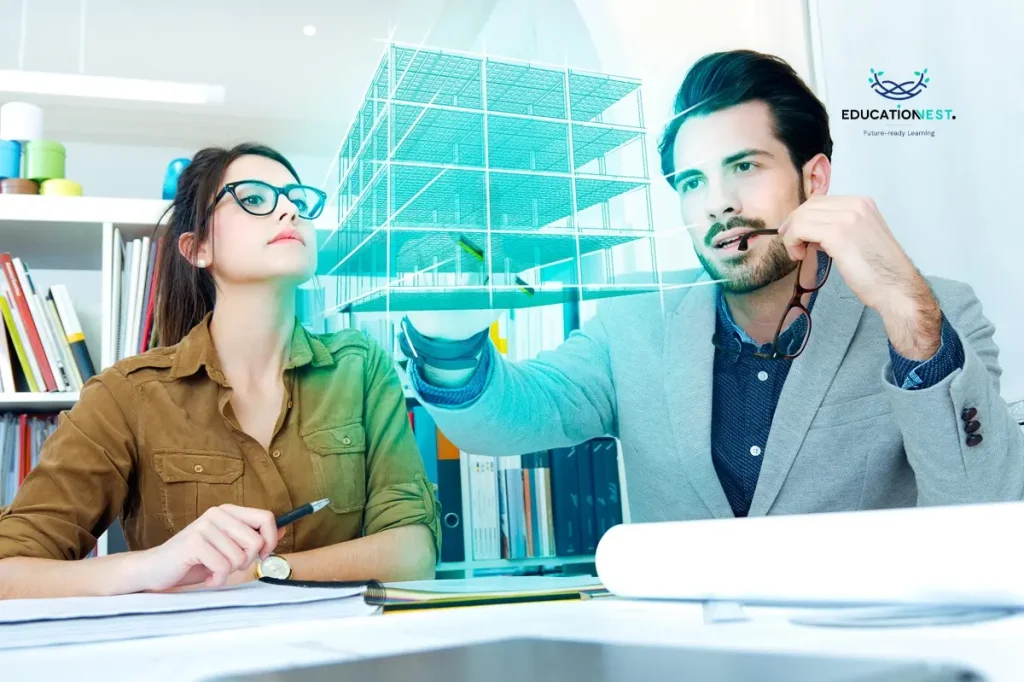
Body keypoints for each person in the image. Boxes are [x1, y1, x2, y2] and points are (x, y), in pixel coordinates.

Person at [399, 50, 1024, 524]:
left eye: (744, 167)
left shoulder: (934, 314)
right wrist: (447, 339)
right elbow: (506, 423)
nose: (718, 203)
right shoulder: (633, 324)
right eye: (692, 182)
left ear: (815, 179)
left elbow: (981, 507)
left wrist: (904, 310)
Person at [0, 143, 439, 599]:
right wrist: (154, 566)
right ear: (198, 247)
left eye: (298, 199)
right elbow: (9, 574)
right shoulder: (125, 396)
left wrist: (262, 571)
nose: (289, 209)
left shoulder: (360, 367)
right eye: (253, 199)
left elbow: (413, 552)